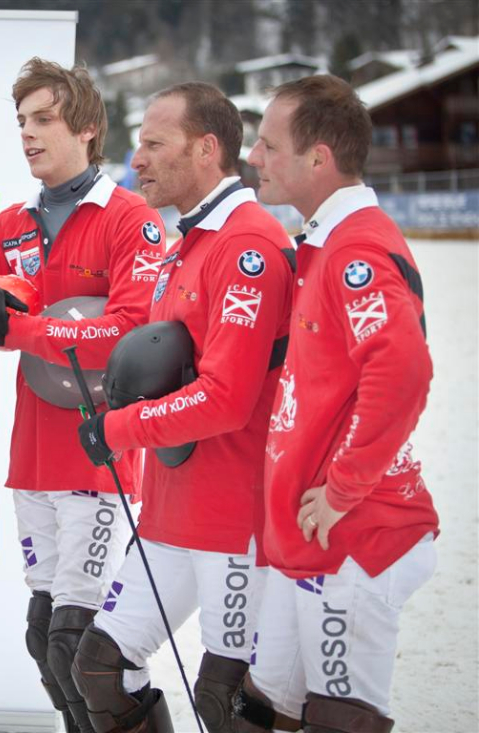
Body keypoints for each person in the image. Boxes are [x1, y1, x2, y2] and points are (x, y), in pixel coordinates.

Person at [0, 58, 163, 733]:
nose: (28, 133)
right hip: (32, 458)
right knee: (45, 636)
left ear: (87, 128)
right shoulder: (10, 224)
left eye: (44, 119)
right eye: (22, 121)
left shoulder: (130, 218)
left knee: (78, 643)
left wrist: (17, 327)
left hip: (100, 456)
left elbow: (128, 332)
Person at [70, 82, 295, 732]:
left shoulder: (248, 246)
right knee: (100, 667)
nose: (135, 159)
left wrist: (119, 428)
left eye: (153, 143)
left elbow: (226, 398)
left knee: (227, 702)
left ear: (205, 149)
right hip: (172, 510)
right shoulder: (183, 243)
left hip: (235, 519)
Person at [232, 75, 439, 733]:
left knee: (338, 719)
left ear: (318, 158)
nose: (254, 157)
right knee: (259, 710)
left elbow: (402, 372)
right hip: (311, 541)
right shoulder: (325, 241)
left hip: (354, 539)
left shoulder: (357, 248)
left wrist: (344, 488)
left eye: (269, 145)